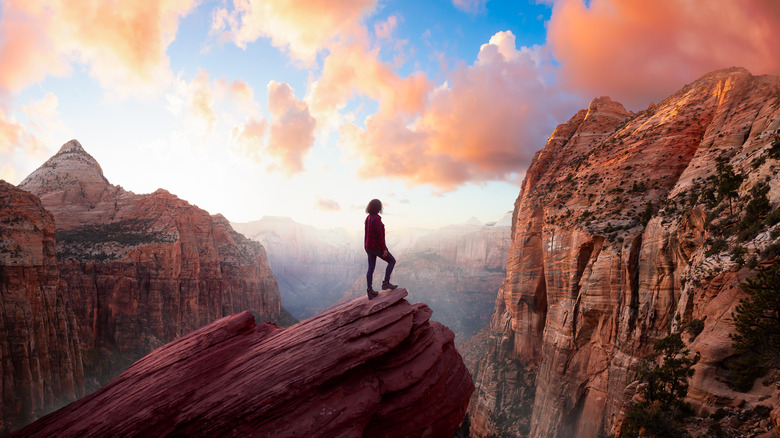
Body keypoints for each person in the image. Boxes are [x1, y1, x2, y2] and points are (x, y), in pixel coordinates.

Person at [364, 199, 397, 299]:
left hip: (368, 247)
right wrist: (384, 249)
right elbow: (379, 237)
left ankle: (370, 291)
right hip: (376, 247)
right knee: (392, 261)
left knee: (370, 268)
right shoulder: (376, 219)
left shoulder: (368, 218)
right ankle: (386, 283)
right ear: (378, 208)